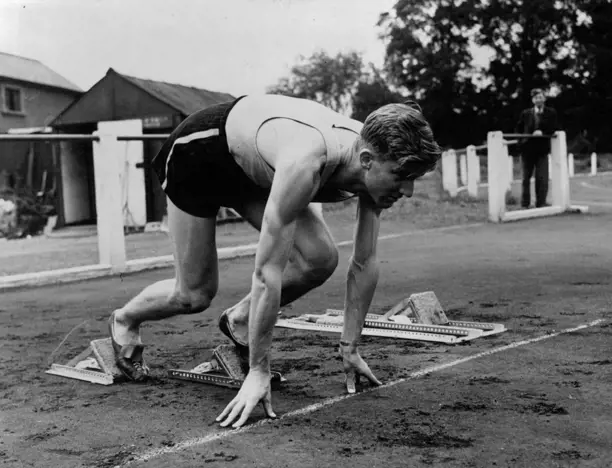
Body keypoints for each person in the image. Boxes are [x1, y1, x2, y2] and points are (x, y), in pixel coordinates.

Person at [106, 94, 442, 429]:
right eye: (402, 177)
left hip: (251, 171)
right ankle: (125, 320)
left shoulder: (377, 162)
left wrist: (350, 346)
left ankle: (240, 320)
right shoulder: (308, 160)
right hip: (199, 155)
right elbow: (268, 270)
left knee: (320, 258)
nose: (409, 190)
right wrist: (257, 370)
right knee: (193, 294)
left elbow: (365, 261)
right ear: (367, 160)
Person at [515, 88, 560, 208]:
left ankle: (541, 202)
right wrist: (521, 143)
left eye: (540, 97)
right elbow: (519, 129)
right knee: (525, 178)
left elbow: (554, 127)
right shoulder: (526, 113)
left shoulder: (551, 113)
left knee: (542, 178)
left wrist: (543, 131)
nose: (538, 100)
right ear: (532, 100)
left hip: (542, 150)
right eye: (536, 98)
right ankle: (525, 203)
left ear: (544, 98)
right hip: (527, 150)